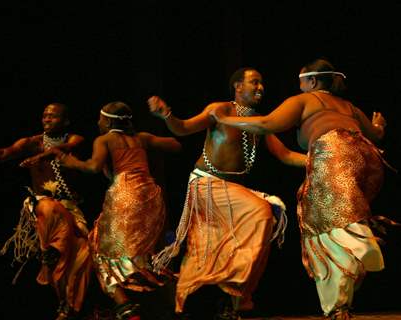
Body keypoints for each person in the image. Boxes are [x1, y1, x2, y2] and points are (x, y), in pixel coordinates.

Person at [210, 58, 398, 320]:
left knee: (318, 227)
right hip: (367, 160)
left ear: (311, 81)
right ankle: (346, 286)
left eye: (300, 79)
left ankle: (360, 243)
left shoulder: (306, 100)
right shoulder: (349, 107)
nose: (298, 84)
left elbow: (267, 124)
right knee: (332, 219)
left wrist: (226, 119)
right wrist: (379, 126)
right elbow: (375, 135)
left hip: (334, 154)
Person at [147, 67, 307, 319]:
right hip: (206, 184)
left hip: (232, 189)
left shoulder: (258, 122)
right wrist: (166, 115)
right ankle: (236, 292)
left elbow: (285, 155)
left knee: (209, 245)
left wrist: (318, 159)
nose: (260, 87)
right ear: (238, 87)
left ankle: (228, 303)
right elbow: (183, 128)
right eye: (254, 82)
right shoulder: (220, 110)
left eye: (262, 83)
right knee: (262, 213)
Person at [0, 102, 91, 320]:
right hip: (44, 206)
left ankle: (68, 303)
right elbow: (2, 153)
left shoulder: (75, 140)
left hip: (71, 208)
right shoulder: (33, 143)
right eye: (44, 116)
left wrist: (43, 157)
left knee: (81, 255)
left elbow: (64, 149)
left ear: (66, 121)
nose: (46, 120)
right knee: (52, 219)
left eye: (52, 117)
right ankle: (52, 268)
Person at [47, 101, 181, 320]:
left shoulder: (105, 139)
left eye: (100, 118)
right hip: (151, 195)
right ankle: (176, 300)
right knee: (143, 254)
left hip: (125, 194)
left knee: (99, 247)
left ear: (108, 121)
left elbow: (92, 167)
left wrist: (67, 160)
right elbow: (175, 144)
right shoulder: (142, 138)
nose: (98, 122)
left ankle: (125, 307)